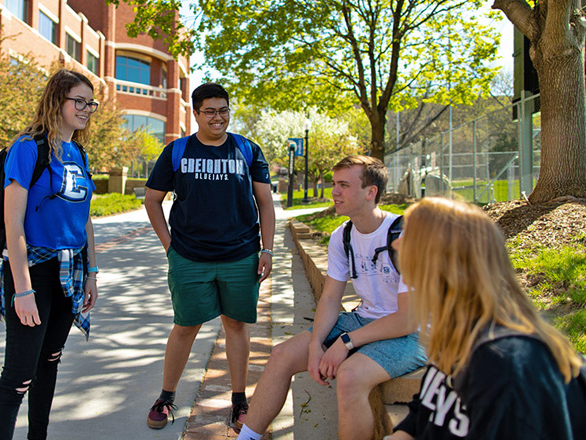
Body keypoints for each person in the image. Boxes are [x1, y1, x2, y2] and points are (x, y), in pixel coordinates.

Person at [237, 155, 426, 440]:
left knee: (349, 377)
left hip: (414, 333)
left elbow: (407, 319)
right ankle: (247, 438)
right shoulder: (343, 236)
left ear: (370, 192)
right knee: (281, 355)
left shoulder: (403, 235)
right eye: (334, 183)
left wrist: (346, 342)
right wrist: (316, 346)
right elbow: (329, 298)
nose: (334, 192)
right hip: (364, 319)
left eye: (344, 185)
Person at [385, 197, 586, 440]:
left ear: (442, 259)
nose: (396, 243)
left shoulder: (502, 362)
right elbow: (424, 414)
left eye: (409, 235)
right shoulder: (454, 336)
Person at [144, 82, 275, 430]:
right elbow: (152, 199)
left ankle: (238, 402)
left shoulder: (247, 149)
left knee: (236, 325)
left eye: (224, 110)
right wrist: (168, 245)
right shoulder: (177, 151)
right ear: (196, 113)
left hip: (241, 255)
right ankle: (166, 396)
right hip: (189, 256)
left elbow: (265, 203)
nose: (218, 118)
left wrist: (267, 248)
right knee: (185, 326)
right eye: (210, 111)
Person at [0, 69, 99, 440]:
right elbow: (13, 226)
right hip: (33, 273)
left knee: (49, 363)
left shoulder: (78, 152)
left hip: (71, 273)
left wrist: (93, 272)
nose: (85, 109)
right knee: (18, 378)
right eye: (78, 101)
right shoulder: (28, 148)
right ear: (57, 101)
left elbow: (85, 218)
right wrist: (22, 290)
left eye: (90, 103)